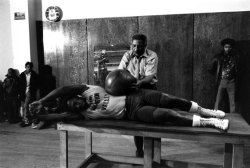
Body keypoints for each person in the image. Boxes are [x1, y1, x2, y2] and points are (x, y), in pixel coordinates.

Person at [30, 84, 229, 134]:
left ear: (76, 96)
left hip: (136, 95)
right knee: (166, 115)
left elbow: (63, 89)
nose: (76, 105)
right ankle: (210, 122)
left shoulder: (86, 89)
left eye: (74, 101)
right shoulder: (84, 113)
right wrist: (43, 115)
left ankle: (204, 110)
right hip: (132, 112)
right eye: (73, 107)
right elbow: (59, 115)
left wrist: (42, 100)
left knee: (171, 100)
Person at [118, 34, 158, 156]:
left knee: (152, 119)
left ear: (145, 45)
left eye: (139, 46)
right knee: (137, 122)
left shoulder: (152, 56)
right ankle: (139, 151)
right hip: (132, 89)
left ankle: (152, 153)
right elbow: (120, 71)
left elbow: (149, 76)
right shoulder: (127, 55)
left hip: (148, 87)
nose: (136, 49)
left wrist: (139, 83)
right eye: (134, 46)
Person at [209, 38, 239, 113]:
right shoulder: (218, 57)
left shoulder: (235, 57)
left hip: (231, 82)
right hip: (222, 81)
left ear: (231, 48)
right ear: (223, 47)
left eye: (229, 47)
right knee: (218, 100)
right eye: (226, 47)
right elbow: (210, 68)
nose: (227, 49)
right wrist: (217, 75)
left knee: (232, 102)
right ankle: (215, 114)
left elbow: (238, 69)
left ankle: (233, 117)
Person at [19, 62, 39, 127]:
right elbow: (19, 85)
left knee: (26, 105)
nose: (29, 68)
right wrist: (19, 93)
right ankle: (28, 120)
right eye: (27, 67)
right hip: (23, 92)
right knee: (25, 106)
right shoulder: (22, 74)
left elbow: (37, 84)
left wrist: (33, 90)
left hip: (30, 92)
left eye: (30, 67)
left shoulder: (34, 74)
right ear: (25, 67)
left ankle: (26, 120)